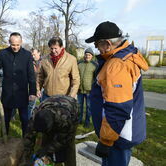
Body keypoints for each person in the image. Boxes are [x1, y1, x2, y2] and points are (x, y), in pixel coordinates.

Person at [85, 21, 149, 166]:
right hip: (120, 131)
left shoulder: (117, 65)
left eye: (97, 45)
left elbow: (117, 108)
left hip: (117, 135)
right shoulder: (124, 57)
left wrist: (106, 141)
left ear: (107, 44)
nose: (96, 49)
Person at [0, 32, 36, 137]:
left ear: (21, 42)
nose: (15, 47)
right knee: (6, 118)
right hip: (8, 93)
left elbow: (31, 75)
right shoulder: (3, 53)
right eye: (13, 45)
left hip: (22, 92)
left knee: (24, 119)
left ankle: (25, 139)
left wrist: (32, 92)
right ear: (9, 42)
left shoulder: (27, 55)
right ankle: (5, 137)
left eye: (18, 45)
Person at [21, 95, 78, 166]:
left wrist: (46, 149)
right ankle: (45, 161)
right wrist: (26, 158)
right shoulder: (35, 115)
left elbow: (62, 140)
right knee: (45, 142)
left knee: (68, 146)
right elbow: (28, 137)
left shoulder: (65, 119)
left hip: (71, 108)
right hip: (53, 104)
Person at [36, 37, 80, 101]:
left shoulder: (71, 59)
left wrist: (71, 96)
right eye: (51, 48)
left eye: (55, 48)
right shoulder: (44, 60)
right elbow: (40, 77)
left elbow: (76, 80)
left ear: (61, 47)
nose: (53, 51)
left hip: (64, 97)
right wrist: (37, 89)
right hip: (47, 96)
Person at [77, 47, 97, 127]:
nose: (87, 56)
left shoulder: (94, 65)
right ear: (84, 55)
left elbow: (96, 78)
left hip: (90, 91)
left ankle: (87, 122)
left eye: (89, 55)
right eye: (86, 54)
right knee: (79, 107)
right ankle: (79, 120)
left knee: (89, 108)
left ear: (92, 56)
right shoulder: (79, 64)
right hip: (80, 90)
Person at [27, 48, 41, 119]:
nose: (33, 56)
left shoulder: (45, 62)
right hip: (32, 86)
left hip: (43, 86)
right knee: (31, 105)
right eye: (32, 55)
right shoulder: (29, 62)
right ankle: (28, 121)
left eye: (34, 54)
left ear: (39, 53)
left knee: (44, 104)